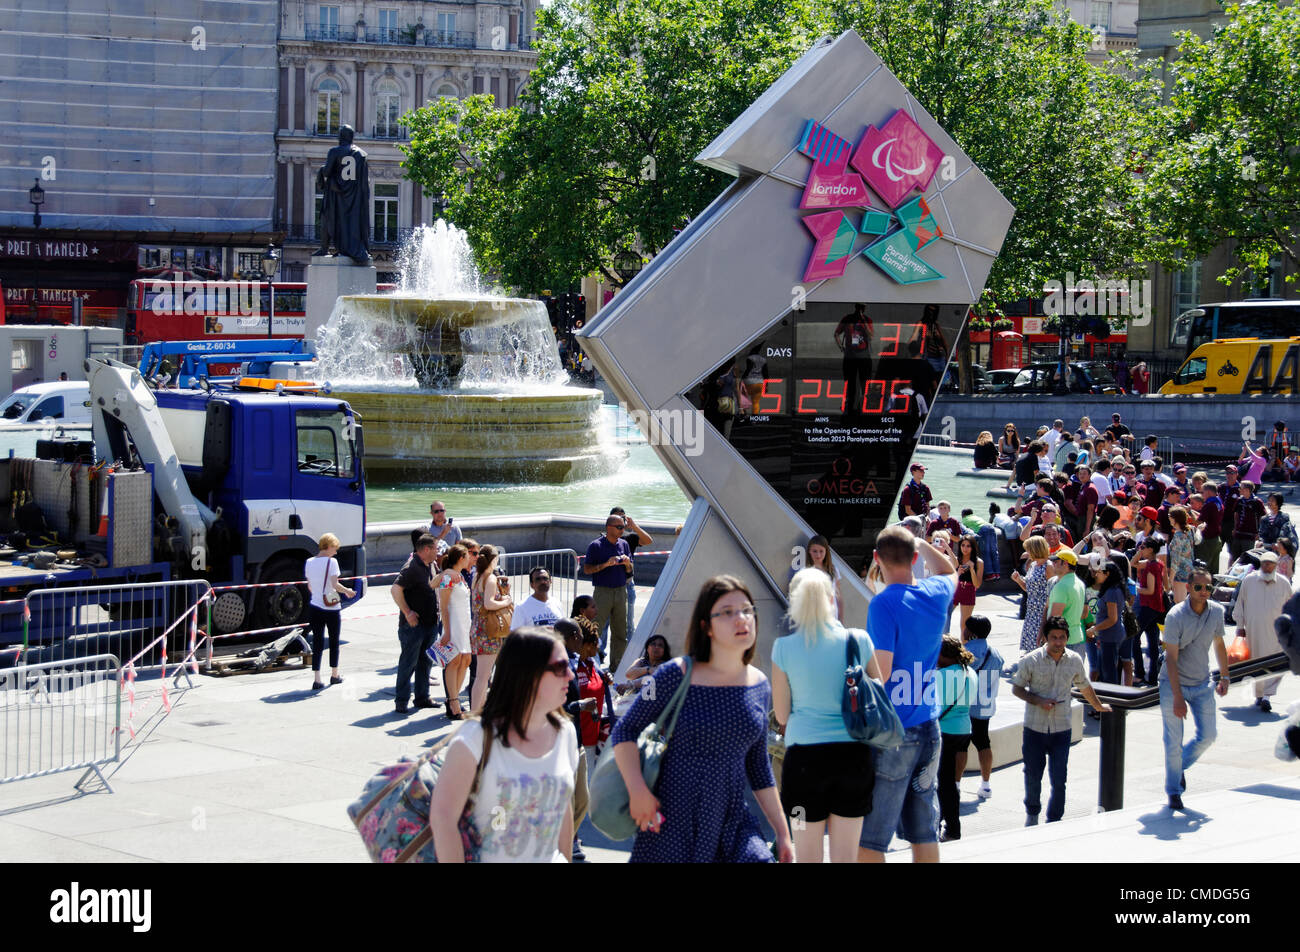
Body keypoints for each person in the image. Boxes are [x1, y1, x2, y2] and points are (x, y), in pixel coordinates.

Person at [611, 575, 793, 863]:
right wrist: (638, 791)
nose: (741, 619)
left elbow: (759, 766)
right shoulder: (674, 674)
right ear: (706, 626)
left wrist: (783, 833)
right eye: (728, 612)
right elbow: (625, 730)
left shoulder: (759, 685)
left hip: (732, 823)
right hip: (672, 823)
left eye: (747, 610)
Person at [428, 628, 579, 862]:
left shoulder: (565, 732)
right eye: (560, 668)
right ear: (530, 674)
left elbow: (564, 808)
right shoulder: (475, 738)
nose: (570, 675)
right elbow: (443, 819)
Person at [859, 526, 957, 863]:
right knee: (923, 829)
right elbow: (948, 570)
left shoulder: (882, 603)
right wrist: (922, 543)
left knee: (871, 838)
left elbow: (881, 672)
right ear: (915, 559)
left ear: (876, 559)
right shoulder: (936, 592)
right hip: (929, 725)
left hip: (893, 731)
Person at [771, 568, 880, 862]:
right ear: (831, 598)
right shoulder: (858, 640)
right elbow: (879, 694)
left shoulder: (783, 648)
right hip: (854, 758)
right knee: (845, 857)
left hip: (802, 763)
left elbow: (781, 714)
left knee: (806, 855)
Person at [1011, 615, 1112, 823]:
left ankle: (1054, 819)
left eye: (1062, 637)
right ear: (1045, 638)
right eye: (1054, 637)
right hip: (1034, 729)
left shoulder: (1074, 660)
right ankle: (1032, 814)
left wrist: (1098, 706)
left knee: (1059, 779)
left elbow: (1084, 685)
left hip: (1061, 729)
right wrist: (1038, 700)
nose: (1058, 642)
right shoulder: (1031, 660)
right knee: (1032, 775)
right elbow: (1017, 689)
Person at [1159, 566, 1231, 810]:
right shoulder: (1176, 615)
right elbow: (1170, 658)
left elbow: (1220, 644)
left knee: (1209, 735)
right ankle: (1174, 792)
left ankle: (1178, 767)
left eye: (1208, 587)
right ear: (1188, 588)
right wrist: (1177, 697)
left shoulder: (1217, 612)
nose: (1204, 591)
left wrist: (1225, 676)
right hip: (1172, 683)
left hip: (1201, 683)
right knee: (1173, 741)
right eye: (1199, 587)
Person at [1233, 548, 1290, 712]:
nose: (1267, 567)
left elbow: (1290, 608)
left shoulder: (1284, 583)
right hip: (1254, 632)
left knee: (1277, 664)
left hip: (1276, 634)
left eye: (1271, 564)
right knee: (1256, 663)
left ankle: (1267, 696)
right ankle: (1260, 694)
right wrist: (1239, 627)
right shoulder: (1249, 581)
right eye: (1264, 564)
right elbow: (1240, 605)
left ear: (1276, 566)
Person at [390, 534, 440, 715]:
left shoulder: (431, 565)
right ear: (426, 549)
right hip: (413, 626)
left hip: (430, 622)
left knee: (425, 662)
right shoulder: (412, 567)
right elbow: (395, 589)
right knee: (408, 662)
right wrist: (407, 612)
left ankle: (422, 697)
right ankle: (401, 700)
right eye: (435, 548)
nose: (437, 551)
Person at [935, 635, 977, 841]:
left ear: (943, 655)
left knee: (943, 783)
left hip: (945, 732)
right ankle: (949, 824)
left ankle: (950, 827)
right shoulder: (970, 672)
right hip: (964, 729)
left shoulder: (942, 676)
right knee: (950, 780)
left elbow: (934, 707)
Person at [958, 614, 1002, 800]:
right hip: (984, 706)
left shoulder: (963, 652)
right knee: (983, 742)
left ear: (971, 632)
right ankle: (985, 785)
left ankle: (956, 784)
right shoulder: (996, 654)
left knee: (960, 746)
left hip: (963, 706)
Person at [304, 532, 354, 691]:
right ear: (329, 546)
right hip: (331, 608)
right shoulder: (332, 562)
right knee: (333, 641)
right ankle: (334, 674)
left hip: (315, 606)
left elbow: (310, 586)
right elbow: (335, 585)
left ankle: (317, 679)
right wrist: (347, 591)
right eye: (335, 548)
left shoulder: (309, 562)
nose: (336, 551)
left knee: (317, 642)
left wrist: (318, 594)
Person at [584, 514, 634, 669]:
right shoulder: (596, 545)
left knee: (620, 632)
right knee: (595, 631)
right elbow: (586, 569)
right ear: (609, 527)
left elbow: (631, 569)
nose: (622, 530)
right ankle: (591, 664)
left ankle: (616, 666)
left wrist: (626, 564)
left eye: (623, 527)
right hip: (602, 592)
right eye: (619, 527)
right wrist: (605, 565)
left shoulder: (624, 544)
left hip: (621, 591)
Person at [470, 545, 514, 713]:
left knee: (481, 675)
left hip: (478, 627)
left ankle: (479, 710)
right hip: (489, 630)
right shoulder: (490, 578)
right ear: (494, 559)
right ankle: (474, 714)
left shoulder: (477, 577)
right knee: (483, 677)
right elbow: (489, 603)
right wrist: (506, 601)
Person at [435, 544, 474, 720]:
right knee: (455, 660)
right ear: (460, 558)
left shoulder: (459, 576)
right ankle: (453, 701)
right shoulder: (448, 577)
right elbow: (443, 605)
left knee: (465, 659)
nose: (470, 560)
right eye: (467, 556)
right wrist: (447, 631)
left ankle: (454, 698)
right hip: (454, 623)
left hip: (464, 622)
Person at [608, 506, 653, 655]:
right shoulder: (604, 539)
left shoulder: (631, 537)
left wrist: (634, 526)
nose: (621, 520)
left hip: (627, 584)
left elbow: (648, 540)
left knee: (628, 622)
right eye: (617, 517)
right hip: (608, 585)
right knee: (605, 622)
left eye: (623, 517)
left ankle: (630, 654)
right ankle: (600, 653)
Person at [1086, 559, 1127, 685]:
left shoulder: (1112, 592)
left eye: (1099, 572)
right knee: (1105, 670)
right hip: (1108, 636)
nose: (1096, 575)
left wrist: (1094, 629)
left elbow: (1112, 619)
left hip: (1111, 636)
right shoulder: (1112, 589)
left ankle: (1112, 701)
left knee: (1109, 673)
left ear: (1107, 574)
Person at [1134, 538, 1166, 686]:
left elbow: (1150, 590)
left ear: (1151, 550)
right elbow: (1133, 564)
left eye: (1143, 546)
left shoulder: (1151, 567)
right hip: (1157, 608)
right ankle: (1153, 677)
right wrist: (1140, 551)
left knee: (1134, 639)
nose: (1141, 548)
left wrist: (1135, 589)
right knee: (1153, 643)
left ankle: (1139, 673)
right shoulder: (1158, 564)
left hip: (1149, 607)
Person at [1043, 549, 1086, 661]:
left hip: (1062, 642)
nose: (1053, 564)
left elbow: (1055, 619)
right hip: (1077, 637)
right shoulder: (1079, 583)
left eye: (1056, 562)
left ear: (1065, 563)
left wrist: (1046, 640)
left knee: (1060, 678)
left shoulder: (1061, 587)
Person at [1013, 537, 1053, 654]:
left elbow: (1053, 590)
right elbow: (1027, 588)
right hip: (1031, 610)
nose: (1027, 553)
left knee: (1040, 645)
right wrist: (1018, 580)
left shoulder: (1048, 566)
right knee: (1031, 647)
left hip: (1042, 610)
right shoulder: (1033, 564)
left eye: (1029, 549)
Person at [802, 533, 844, 622]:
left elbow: (838, 596)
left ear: (826, 551)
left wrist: (841, 618)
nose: (818, 555)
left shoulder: (833, 570)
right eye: (815, 551)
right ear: (809, 551)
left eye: (821, 551)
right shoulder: (804, 572)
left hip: (832, 619)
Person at [1229, 480, 1265, 563]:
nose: (1239, 490)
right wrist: (1235, 528)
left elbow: (1262, 517)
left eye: (1241, 488)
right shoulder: (1239, 500)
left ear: (1247, 490)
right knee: (1235, 557)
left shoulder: (1257, 502)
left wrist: (1259, 532)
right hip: (1238, 533)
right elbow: (1236, 514)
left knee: (1247, 558)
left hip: (1250, 535)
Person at [952, 535, 984, 631]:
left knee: (964, 625)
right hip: (956, 589)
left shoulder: (979, 562)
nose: (965, 548)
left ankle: (964, 645)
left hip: (969, 591)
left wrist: (972, 569)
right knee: (944, 618)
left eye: (968, 546)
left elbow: (977, 584)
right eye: (963, 545)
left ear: (973, 547)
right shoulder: (957, 560)